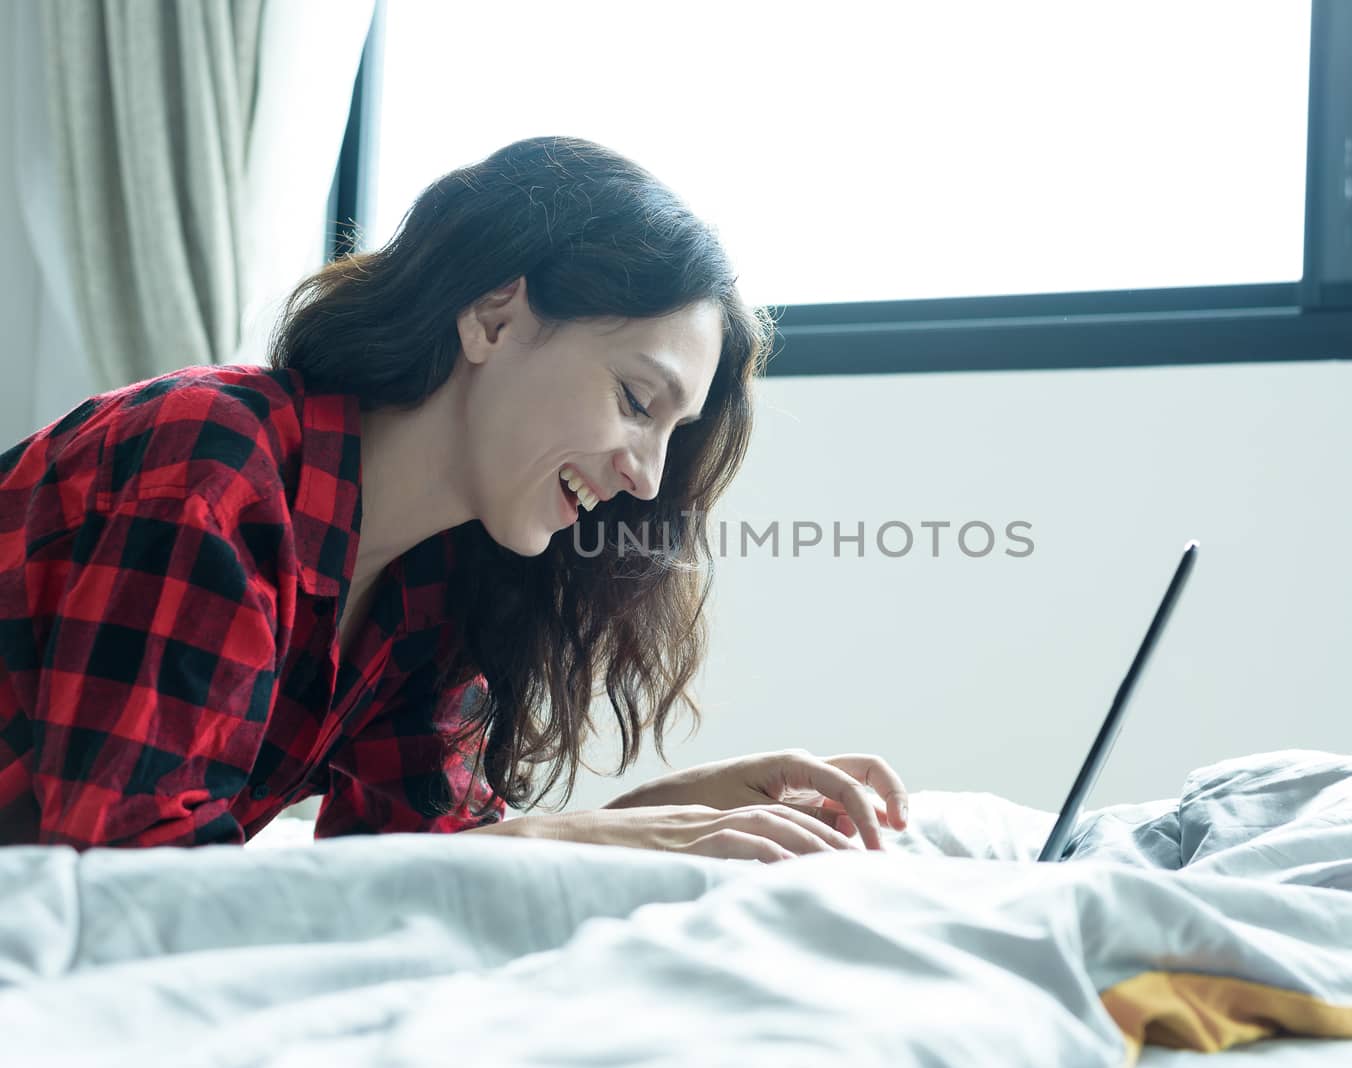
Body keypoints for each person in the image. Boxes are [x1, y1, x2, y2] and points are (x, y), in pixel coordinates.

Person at [0, 136, 908, 860]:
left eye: (672, 434)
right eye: (637, 401)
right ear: (494, 317)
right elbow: (126, 875)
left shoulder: (431, 583)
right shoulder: (214, 465)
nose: (647, 477)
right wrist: (594, 839)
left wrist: (670, 821)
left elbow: (424, 856)